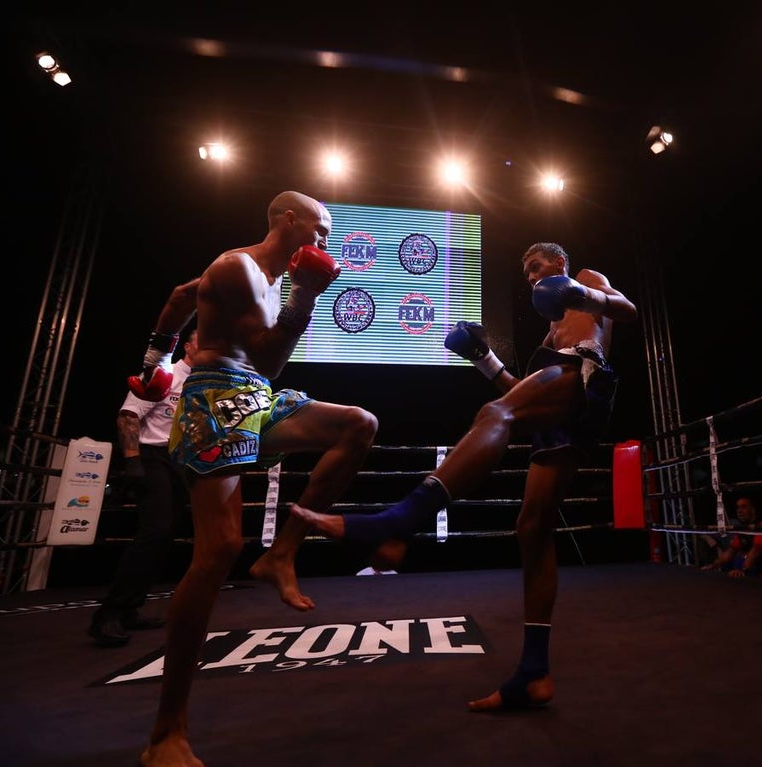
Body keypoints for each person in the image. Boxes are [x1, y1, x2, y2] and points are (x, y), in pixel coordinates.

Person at [293, 241, 637, 712]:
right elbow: (520, 397)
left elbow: (629, 309)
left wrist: (580, 292)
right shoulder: (550, 330)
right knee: (532, 529)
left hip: (584, 377)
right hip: (562, 406)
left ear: (560, 263)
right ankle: (534, 673)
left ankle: (399, 519)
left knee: (493, 414)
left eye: (537, 264)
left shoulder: (587, 282)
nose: (530, 273)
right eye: (525, 268)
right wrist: (483, 357)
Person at [138, 190, 379, 767]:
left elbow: (178, 297)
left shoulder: (251, 275)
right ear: (287, 220)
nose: (323, 243)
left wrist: (154, 357)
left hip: (258, 398)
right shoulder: (238, 267)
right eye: (318, 231)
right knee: (218, 549)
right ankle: (165, 734)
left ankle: (282, 553)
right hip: (216, 400)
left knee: (358, 426)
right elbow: (268, 357)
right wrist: (307, 295)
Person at [88, 327, 198, 648]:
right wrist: (133, 462)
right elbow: (128, 415)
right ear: (188, 346)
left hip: (181, 461)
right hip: (152, 458)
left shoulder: (207, 383)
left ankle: (130, 609)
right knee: (155, 531)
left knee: (163, 536)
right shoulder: (162, 375)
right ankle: (107, 615)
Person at [699, 496, 762, 578]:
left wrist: (742, 570)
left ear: (752, 510)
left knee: (742, 558)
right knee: (734, 559)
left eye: (744, 507)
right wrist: (713, 565)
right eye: (738, 508)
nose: (739, 511)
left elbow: (755, 551)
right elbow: (730, 551)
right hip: (755, 567)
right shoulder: (744, 529)